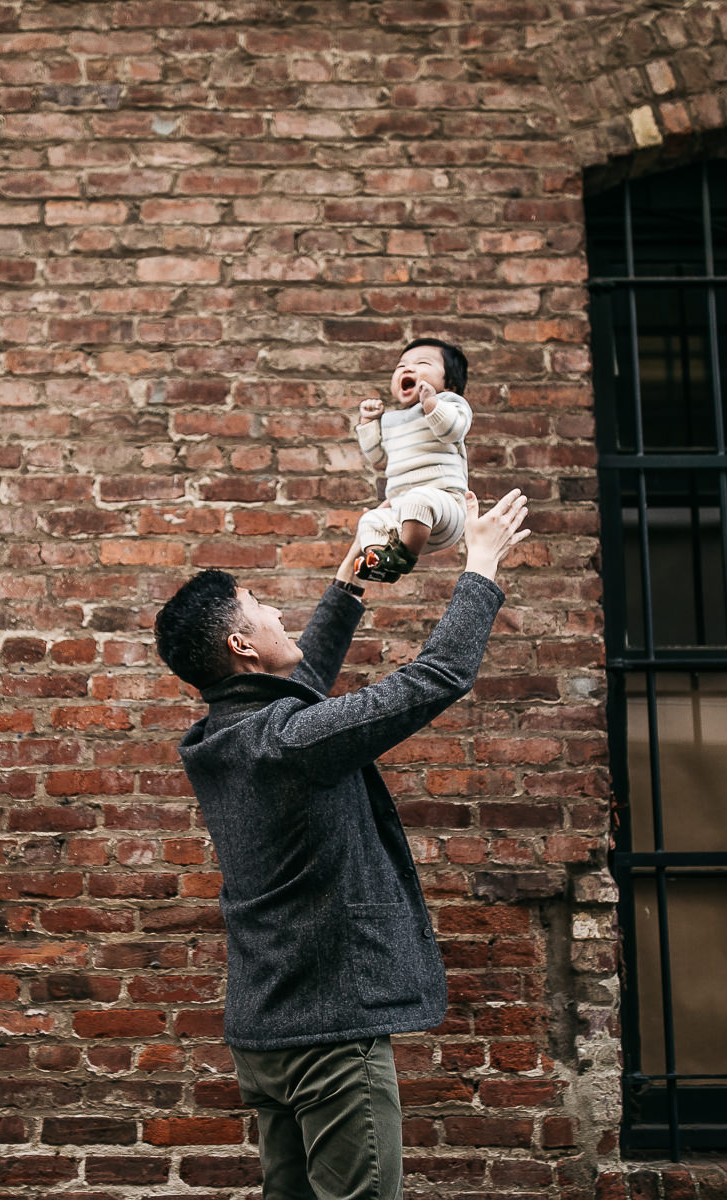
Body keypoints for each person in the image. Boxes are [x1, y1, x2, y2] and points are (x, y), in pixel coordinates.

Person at [152, 488, 531, 1200]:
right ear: (240, 644)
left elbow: (295, 685)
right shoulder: (290, 743)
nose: (274, 612)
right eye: (260, 607)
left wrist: (351, 578)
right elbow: (436, 677)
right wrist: (481, 565)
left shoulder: (217, 740)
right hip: (331, 1043)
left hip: (266, 1037)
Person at [352, 337, 473, 583]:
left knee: (419, 498)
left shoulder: (450, 403)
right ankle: (381, 560)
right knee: (370, 520)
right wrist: (368, 422)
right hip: (402, 515)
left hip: (445, 506)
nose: (407, 368)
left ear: (449, 384)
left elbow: (452, 430)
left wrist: (431, 404)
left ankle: (404, 557)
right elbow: (377, 457)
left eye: (422, 363)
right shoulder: (394, 420)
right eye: (401, 366)